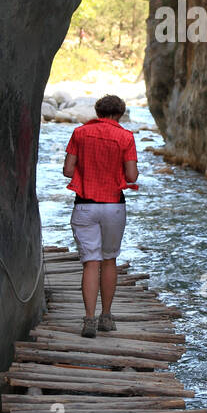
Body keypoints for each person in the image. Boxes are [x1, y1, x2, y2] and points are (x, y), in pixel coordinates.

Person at [62, 94, 138, 338]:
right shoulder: (126, 137)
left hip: (85, 205)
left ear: (97, 112)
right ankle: (107, 316)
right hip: (114, 205)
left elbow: (67, 171)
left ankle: (89, 320)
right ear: (120, 113)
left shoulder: (79, 133)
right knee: (109, 260)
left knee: (90, 262)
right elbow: (132, 177)